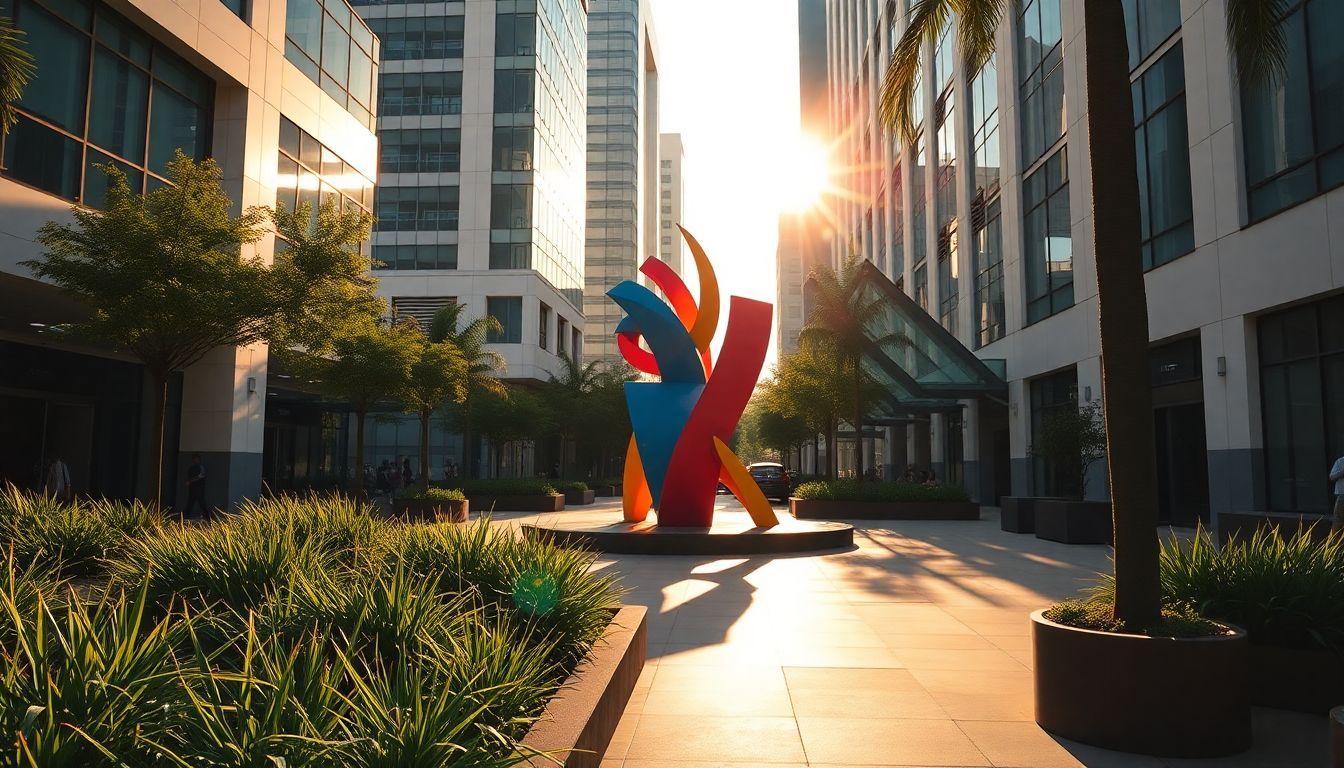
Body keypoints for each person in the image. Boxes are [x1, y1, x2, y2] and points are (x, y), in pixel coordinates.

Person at [185, 454, 208, 519]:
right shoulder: (192, 468)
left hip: (199, 488)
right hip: (193, 488)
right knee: (190, 502)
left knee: (201, 503)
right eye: (195, 459)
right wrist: (190, 481)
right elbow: (190, 477)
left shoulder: (201, 468)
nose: (196, 460)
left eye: (197, 459)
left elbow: (201, 476)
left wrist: (190, 481)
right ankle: (186, 515)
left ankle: (207, 516)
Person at [1331, 454, 1344, 533]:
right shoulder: (1340, 461)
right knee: (1338, 520)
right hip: (1342, 495)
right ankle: (1334, 542)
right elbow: (1332, 476)